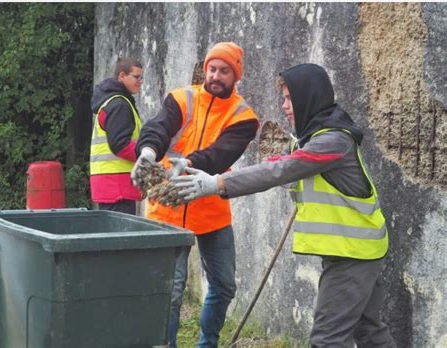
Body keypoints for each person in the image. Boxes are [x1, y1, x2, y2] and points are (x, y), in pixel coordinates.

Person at [173, 64, 396, 348]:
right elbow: (277, 165)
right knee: (369, 330)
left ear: (308, 97)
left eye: (290, 98)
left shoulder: (331, 141)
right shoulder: (317, 136)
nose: (284, 106)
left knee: (327, 339)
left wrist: (217, 184)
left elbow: (280, 171)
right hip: (358, 250)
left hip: (352, 255)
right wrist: (201, 166)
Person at [132, 42, 260, 347]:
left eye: (224, 71)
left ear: (235, 75)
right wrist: (148, 153)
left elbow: (220, 154)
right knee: (171, 292)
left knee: (225, 285)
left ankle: (208, 342)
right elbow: (158, 128)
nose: (216, 76)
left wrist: (187, 163)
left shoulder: (244, 117)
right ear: (205, 69)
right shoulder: (181, 98)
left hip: (212, 209)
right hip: (168, 210)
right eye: (212, 69)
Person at [89, 57, 143, 215]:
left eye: (142, 77)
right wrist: (148, 152)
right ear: (122, 76)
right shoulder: (119, 104)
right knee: (122, 238)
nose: (140, 81)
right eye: (136, 77)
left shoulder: (111, 101)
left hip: (111, 185)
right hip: (118, 187)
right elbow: (120, 145)